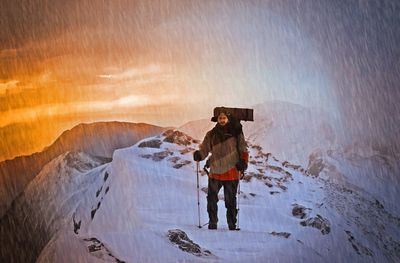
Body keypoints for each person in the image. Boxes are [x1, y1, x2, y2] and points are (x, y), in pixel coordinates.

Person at [193, 110, 249, 230]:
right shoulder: (211, 134)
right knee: (212, 200)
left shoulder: (236, 133)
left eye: (224, 118)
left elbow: (243, 149)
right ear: (217, 120)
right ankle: (213, 223)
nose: (222, 120)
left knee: (230, 201)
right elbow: (204, 149)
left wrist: (243, 162)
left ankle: (231, 225)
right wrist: (199, 155)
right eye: (220, 118)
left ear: (228, 119)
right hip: (215, 173)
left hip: (231, 173)